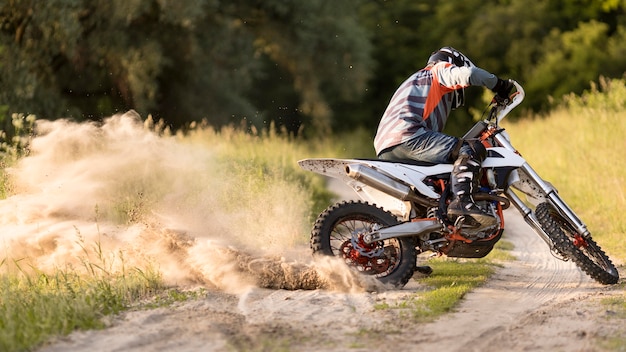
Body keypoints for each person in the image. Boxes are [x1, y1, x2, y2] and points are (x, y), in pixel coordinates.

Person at [373, 46, 513, 228]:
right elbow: (470, 73)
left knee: (439, 178)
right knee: (470, 149)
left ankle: (431, 224)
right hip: (408, 136)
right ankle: (463, 201)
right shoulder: (437, 71)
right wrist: (499, 85)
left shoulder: (419, 83)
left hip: (388, 145)